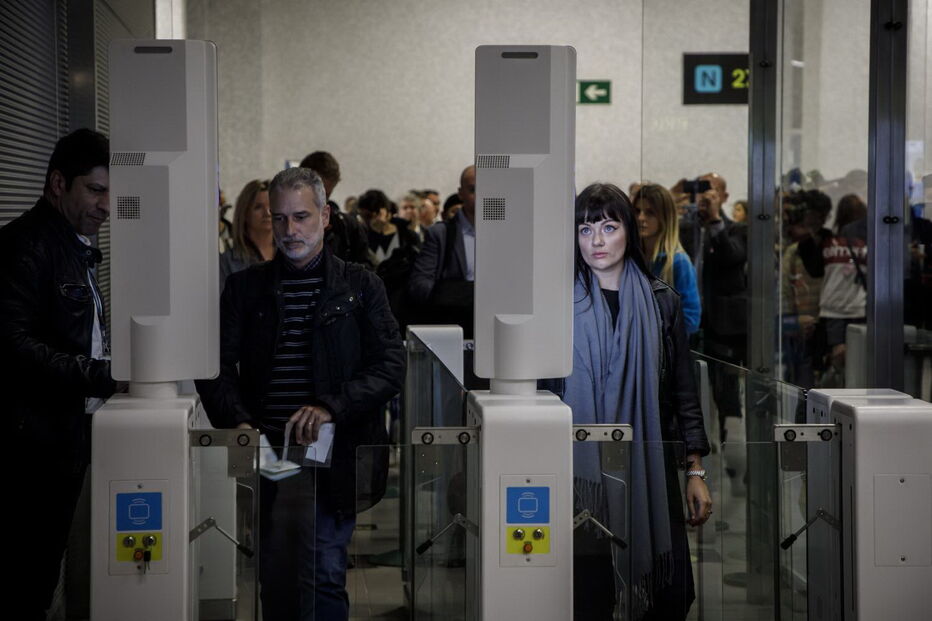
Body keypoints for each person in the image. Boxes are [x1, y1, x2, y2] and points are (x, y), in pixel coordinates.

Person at [196, 167, 403, 620]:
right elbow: (211, 369)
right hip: (269, 446)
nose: (291, 230)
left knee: (325, 567)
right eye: (280, 218)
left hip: (335, 447)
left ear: (326, 216)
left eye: (302, 217)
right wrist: (239, 422)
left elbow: (391, 365)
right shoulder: (245, 288)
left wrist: (331, 406)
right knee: (278, 570)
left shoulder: (360, 285)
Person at [564, 183, 711, 620]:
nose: (597, 241)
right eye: (585, 228)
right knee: (589, 596)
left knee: (670, 596)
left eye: (609, 227)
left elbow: (684, 394)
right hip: (578, 475)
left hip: (650, 464)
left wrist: (696, 471)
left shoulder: (662, 302)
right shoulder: (555, 304)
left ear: (628, 231)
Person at [0, 128, 117, 620]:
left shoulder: (76, 245)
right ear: (57, 184)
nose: (106, 205)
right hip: (30, 444)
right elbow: (13, 346)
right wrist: (98, 375)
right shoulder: (25, 246)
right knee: (24, 578)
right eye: (95, 190)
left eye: (112, 193)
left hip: (64, 436)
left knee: (45, 573)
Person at [408, 165, 476, 336]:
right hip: (454, 322)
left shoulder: (504, 233)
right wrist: (446, 295)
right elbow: (420, 284)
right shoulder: (441, 233)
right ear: (461, 194)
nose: (481, 196)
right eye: (473, 189)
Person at [633, 183, 701, 334]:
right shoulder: (633, 258)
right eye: (637, 211)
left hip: (662, 352)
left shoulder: (678, 262)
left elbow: (691, 320)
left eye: (650, 212)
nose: (641, 218)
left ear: (664, 216)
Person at [299, 151, 370, 266]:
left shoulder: (347, 227)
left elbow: (366, 271)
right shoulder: (283, 224)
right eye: (315, 192)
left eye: (326, 195)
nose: (320, 201)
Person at [219, 179, 274, 290]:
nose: (267, 212)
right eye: (258, 207)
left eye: (272, 206)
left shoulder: (291, 254)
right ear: (244, 213)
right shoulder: (227, 262)